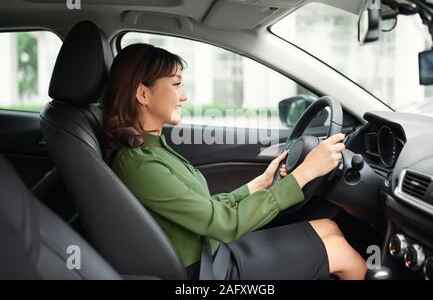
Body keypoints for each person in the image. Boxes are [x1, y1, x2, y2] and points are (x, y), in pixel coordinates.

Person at [102, 43, 368, 280]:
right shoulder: (139, 163)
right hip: (209, 270)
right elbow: (223, 224)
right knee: (339, 252)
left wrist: (259, 184)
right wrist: (305, 173)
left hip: (213, 250)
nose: (184, 96)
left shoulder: (154, 148)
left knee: (329, 226)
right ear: (143, 94)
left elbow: (204, 209)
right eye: (175, 84)